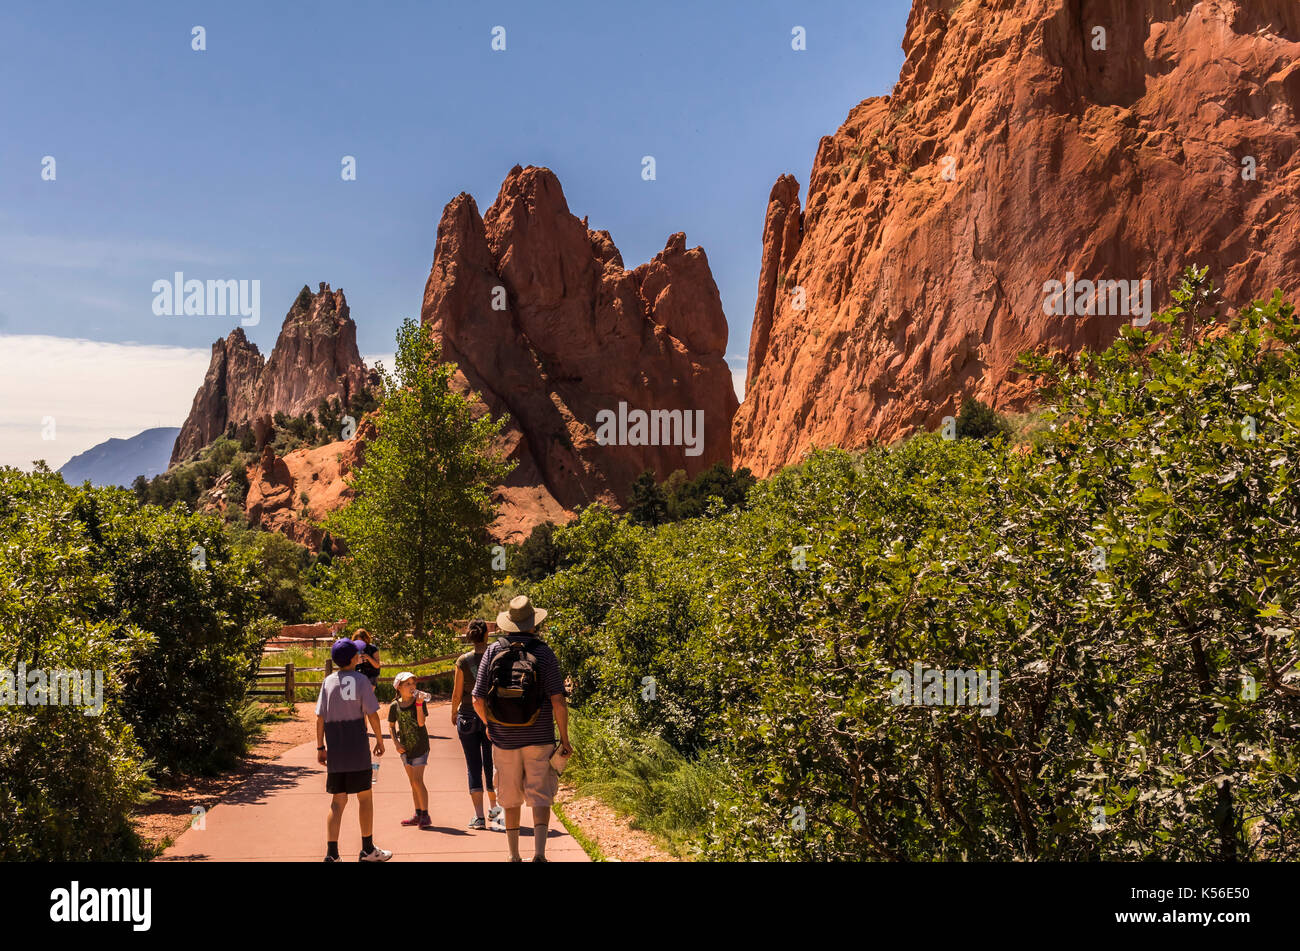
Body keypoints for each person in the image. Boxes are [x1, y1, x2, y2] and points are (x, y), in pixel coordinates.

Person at [472, 596, 573, 862]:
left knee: (510, 797)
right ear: (533, 623)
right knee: (540, 795)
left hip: (503, 739)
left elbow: (477, 699)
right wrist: (564, 739)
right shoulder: (544, 652)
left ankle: (514, 855)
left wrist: (490, 726)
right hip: (539, 738)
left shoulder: (493, 652)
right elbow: (558, 701)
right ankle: (539, 854)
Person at [316, 637, 391, 862]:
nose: (359, 656)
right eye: (357, 654)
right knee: (365, 797)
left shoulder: (328, 682)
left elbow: (319, 718)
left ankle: (332, 854)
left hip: (336, 750)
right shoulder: (361, 680)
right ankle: (367, 849)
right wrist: (380, 740)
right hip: (357, 748)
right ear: (352, 659)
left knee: (337, 802)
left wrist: (320, 746)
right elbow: (372, 714)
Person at [452, 620, 502, 831]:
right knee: (491, 764)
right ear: (485, 636)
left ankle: (479, 817)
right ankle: (495, 811)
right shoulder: (495, 657)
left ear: (471, 637)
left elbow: (457, 692)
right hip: (491, 716)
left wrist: (453, 712)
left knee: (473, 765)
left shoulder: (463, 661)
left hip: (468, 716)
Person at [389, 672, 431, 828]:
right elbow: (392, 726)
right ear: (399, 687)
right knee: (413, 782)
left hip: (420, 746)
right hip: (405, 748)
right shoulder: (395, 706)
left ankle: (426, 815)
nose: (412, 687)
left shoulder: (418, 702)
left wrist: (419, 704)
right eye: (407, 684)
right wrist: (397, 744)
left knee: (418, 780)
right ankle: (418, 814)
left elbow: (421, 723)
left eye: (413, 683)